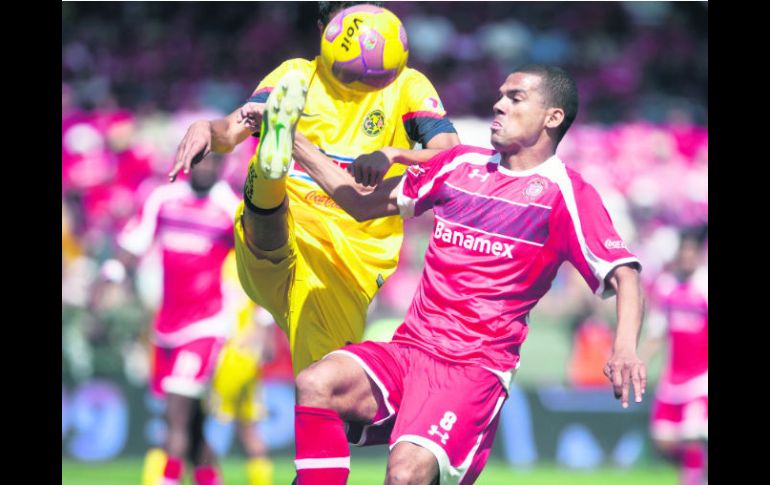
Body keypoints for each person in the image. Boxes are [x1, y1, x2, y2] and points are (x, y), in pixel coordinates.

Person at [282, 64, 646, 484]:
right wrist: (289, 138)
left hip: (472, 371)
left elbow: (625, 274)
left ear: (553, 117)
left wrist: (624, 348)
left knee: (404, 476)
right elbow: (361, 203)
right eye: (500, 95)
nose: (498, 104)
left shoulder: (565, 193)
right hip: (409, 351)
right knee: (316, 383)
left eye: (515, 97)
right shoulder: (459, 166)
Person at [168, 1, 460, 375]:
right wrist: (205, 128)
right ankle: (274, 162)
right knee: (271, 240)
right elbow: (228, 130)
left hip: (348, 255)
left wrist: (392, 153)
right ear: (324, 29)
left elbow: (449, 154)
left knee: (321, 383)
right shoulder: (296, 76)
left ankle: (276, 156)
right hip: (301, 224)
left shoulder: (406, 84)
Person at [118, 154, 241, 485]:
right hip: (165, 327)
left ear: (221, 166)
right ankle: (208, 478)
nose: (203, 167)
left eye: (211, 161)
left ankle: (166, 479)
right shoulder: (164, 199)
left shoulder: (231, 209)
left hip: (206, 325)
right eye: (198, 161)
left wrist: (259, 318)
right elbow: (134, 243)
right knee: (191, 420)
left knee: (175, 415)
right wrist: (112, 276)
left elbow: (256, 262)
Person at [640, 226, 708, 485]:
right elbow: (658, 332)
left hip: (701, 378)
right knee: (663, 442)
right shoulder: (667, 287)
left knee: (693, 436)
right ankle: (697, 471)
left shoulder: (704, 285)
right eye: (684, 251)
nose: (688, 257)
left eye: (692, 252)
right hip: (673, 378)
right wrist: (641, 360)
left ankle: (691, 478)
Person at [207, 251, 276, 485]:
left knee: (210, 427)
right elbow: (264, 303)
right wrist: (266, 340)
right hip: (248, 356)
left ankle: (209, 479)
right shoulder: (247, 257)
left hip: (227, 354)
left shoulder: (222, 259)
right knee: (248, 429)